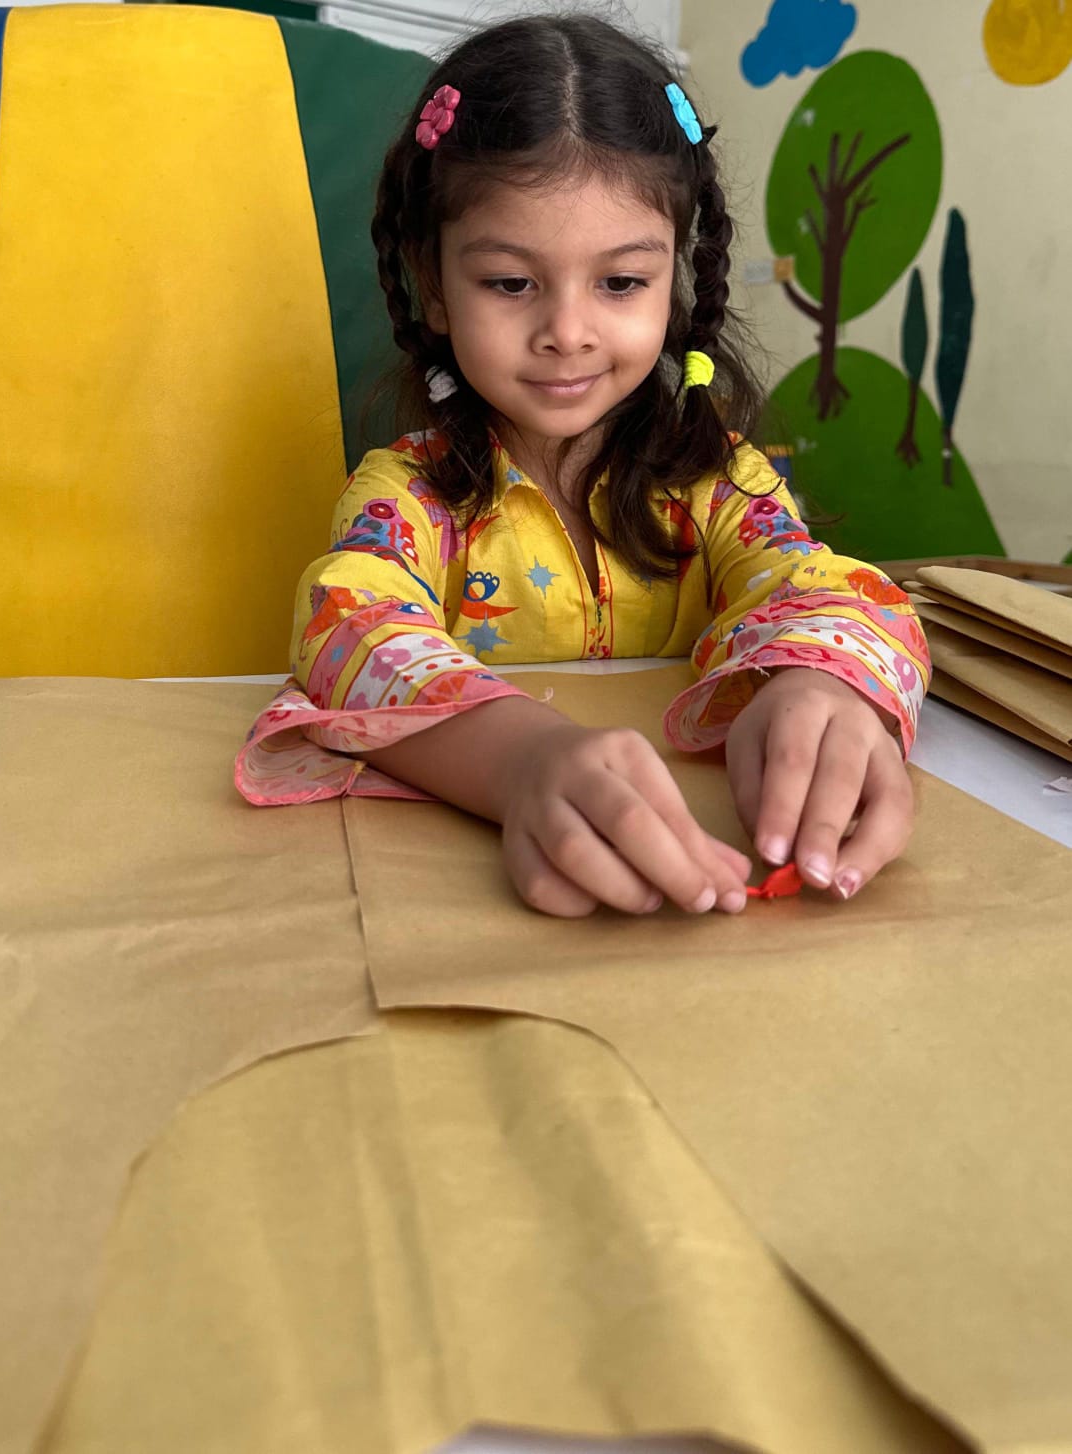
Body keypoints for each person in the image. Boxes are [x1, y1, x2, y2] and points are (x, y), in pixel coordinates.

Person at [235, 13, 930, 919]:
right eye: (510, 283)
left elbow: (829, 590)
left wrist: (822, 680)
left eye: (620, 282)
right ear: (434, 286)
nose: (567, 332)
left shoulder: (722, 483)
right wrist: (518, 759)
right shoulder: (408, 496)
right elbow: (348, 627)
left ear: (673, 280)